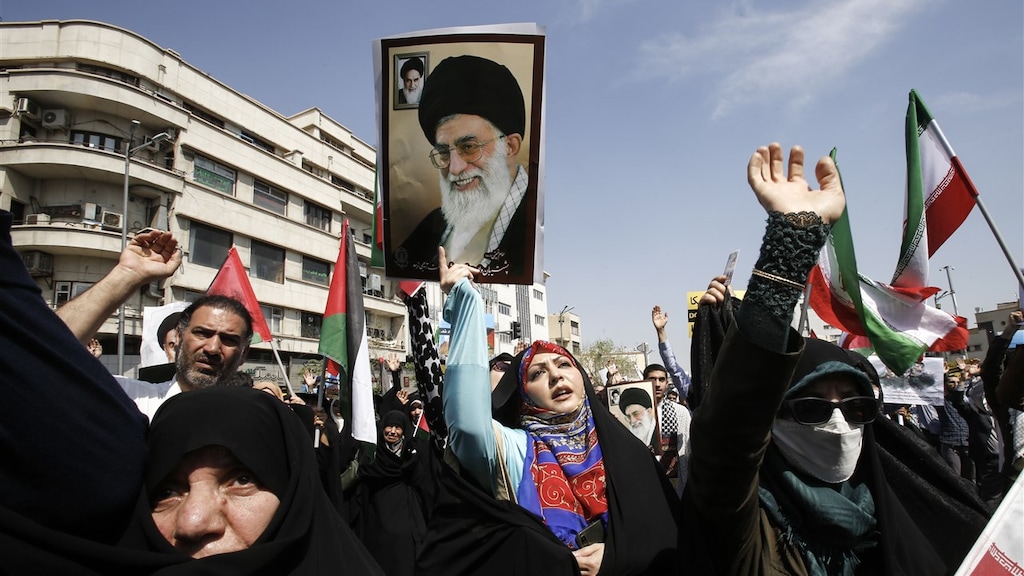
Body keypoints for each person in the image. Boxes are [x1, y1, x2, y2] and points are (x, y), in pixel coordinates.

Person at [685, 143, 945, 575]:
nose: (839, 425)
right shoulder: (747, 523)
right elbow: (730, 431)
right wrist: (791, 246)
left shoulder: (894, 514)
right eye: (812, 408)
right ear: (773, 418)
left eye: (857, 407)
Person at [416, 247, 679, 576]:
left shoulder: (627, 452)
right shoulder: (516, 451)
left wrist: (617, 558)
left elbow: (667, 538)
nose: (555, 375)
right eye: (537, 373)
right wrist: (465, 301)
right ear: (524, 395)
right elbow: (467, 425)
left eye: (563, 365)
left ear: (582, 380)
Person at [393, 55, 531, 276]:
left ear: (510, 146)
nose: (455, 168)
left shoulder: (533, 224)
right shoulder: (432, 226)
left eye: (468, 147)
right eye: (444, 153)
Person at [352, 410, 438, 576]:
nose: (392, 431)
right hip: (378, 518)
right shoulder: (372, 454)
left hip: (406, 514)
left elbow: (424, 481)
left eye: (397, 427)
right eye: (389, 426)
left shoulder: (412, 453)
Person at [649, 305, 694, 493]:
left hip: (678, 483)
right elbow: (673, 367)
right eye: (653, 380)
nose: (658, 384)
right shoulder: (634, 413)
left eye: (662, 379)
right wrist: (661, 332)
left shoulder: (680, 412)